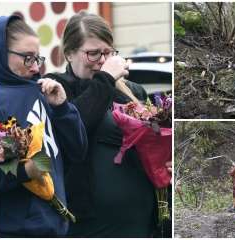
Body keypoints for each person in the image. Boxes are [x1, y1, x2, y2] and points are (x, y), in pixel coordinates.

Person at [45, 11, 170, 237]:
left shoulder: (133, 91)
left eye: (108, 53)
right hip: (90, 222)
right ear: (69, 53)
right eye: (93, 54)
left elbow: (154, 143)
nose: (102, 61)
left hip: (140, 216)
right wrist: (106, 79)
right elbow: (75, 128)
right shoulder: (58, 89)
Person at [0, 15, 87, 237]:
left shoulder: (42, 90)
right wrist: (26, 171)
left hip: (56, 225)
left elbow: (78, 151)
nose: (36, 67)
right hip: (17, 230)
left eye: (38, 58)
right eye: (27, 58)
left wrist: (63, 108)